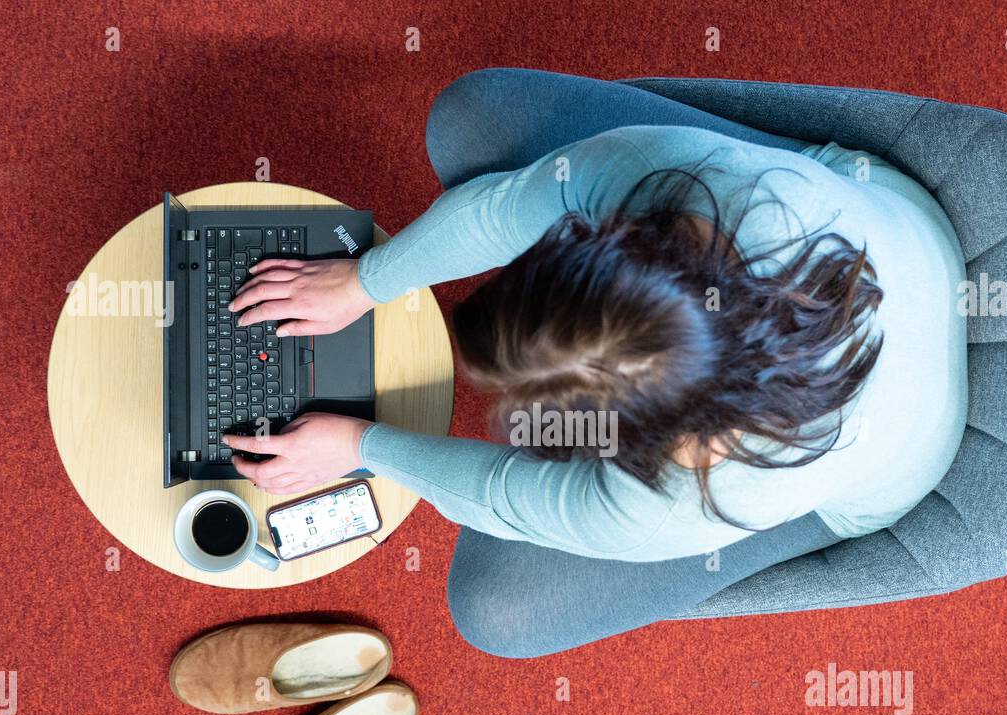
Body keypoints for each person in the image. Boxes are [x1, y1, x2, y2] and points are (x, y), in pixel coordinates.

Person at [220, 69, 968, 658]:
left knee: (494, 610)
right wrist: (365, 280)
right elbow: (504, 207)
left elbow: (502, 495)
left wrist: (357, 447)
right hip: (900, 221)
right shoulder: (688, 190)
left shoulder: (675, 506)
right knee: (470, 118)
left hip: (901, 460)